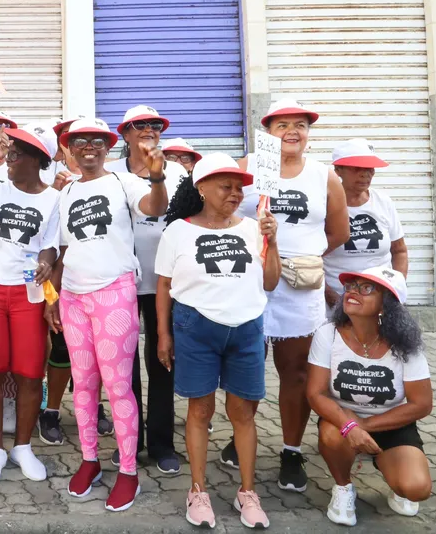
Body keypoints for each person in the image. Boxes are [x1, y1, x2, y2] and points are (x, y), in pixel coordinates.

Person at [221, 99, 350, 493]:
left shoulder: (324, 176)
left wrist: (301, 256)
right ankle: (240, 435)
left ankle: (291, 451)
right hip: (249, 281)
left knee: (295, 373)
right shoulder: (246, 168)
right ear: (268, 131)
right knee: (246, 367)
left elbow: (339, 232)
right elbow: (218, 210)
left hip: (298, 288)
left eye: (300, 125)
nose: (292, 131)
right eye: (283, 125)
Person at [47, 118, 168, 513]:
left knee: (118, 387)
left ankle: (129, 471)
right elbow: (60, 249)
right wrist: (51, 292)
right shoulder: (65, 192)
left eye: (96, 141)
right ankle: (89, 460)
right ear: (69, 147)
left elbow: (154, 207)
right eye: (79, 142)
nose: (88, 147)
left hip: (114, 292)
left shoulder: (123, 182)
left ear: (106, 146)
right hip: (73, 297)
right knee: (83, 386)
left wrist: (157, 177)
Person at [155, 153, 280, 529]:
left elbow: (271, 281)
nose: (234, 193)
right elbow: (163, 285)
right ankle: (197, 490)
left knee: (244, 414)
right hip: (196, 328)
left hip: (246, 328)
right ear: (202, 188)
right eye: (225, 186)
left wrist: (272, 242)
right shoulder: (178, 230)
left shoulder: (255, 227)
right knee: (200, 411)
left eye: (239, 186)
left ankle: (247, 492)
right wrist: (163, 334)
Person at [0, 123, 60, 485]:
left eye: (20, 153)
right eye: (12, 150)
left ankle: (23, 446)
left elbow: (50, 244)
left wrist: (47, 263)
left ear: (38, 160)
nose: (12, 157)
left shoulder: (53, 198)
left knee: (28, 372)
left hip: (29, 293)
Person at [307, 267, 432, 526]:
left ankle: (384, 462)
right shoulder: (328, 333)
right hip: (341, 418)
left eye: (366, 289)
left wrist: (363, 426)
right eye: (351, 286)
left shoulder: (405, 344)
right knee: (332, 434)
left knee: (416, 489)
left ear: (386, 305)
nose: (353, 292)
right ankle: (343, 487)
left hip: (390, 422)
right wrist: (349, 424)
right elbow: (315, 393)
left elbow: (421, 404)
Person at [107, 105, 188, 475]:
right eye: (139, 126)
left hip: (165, 281)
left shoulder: (178, 173)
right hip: (122, 277)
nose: (149, 130)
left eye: (155, 125)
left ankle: (161, 443)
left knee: (162, 360)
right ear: (125, 134)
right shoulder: (110, 175)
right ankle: (130, 440)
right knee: (124, 365)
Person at [39, 116, 84, 446]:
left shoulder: (112, 182)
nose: (78, 149)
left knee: (93, 353)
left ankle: (91, 409)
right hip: (58, 278)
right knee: (60, 346)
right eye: (71, 142)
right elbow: (49, 246)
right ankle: (50, 410)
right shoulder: (49, 181)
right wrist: (50, 295)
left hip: (99, 283)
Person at [323, 139, 407, 309]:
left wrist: (395, 288)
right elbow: (311, 257)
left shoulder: (383, 202)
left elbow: (400, 251)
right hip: (336, 301)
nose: (365, 174)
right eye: (357, 168)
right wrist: (329, 295)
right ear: (338, 170)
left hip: (379, 301)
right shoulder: (323, 205)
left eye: (370, 169)